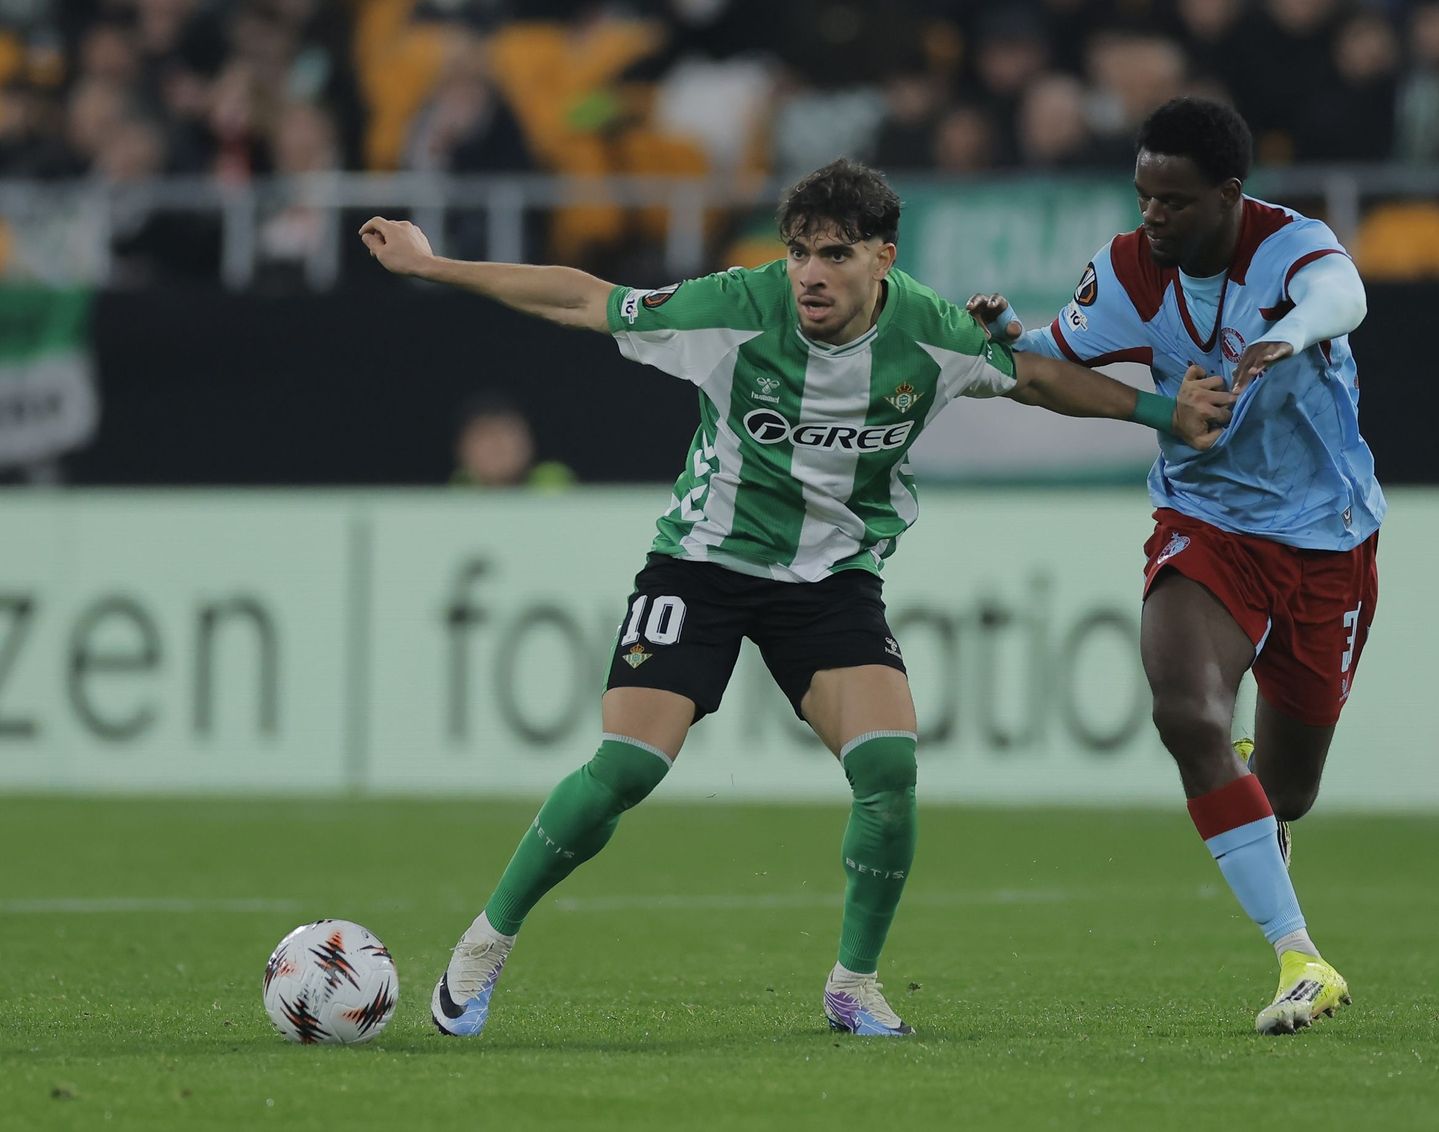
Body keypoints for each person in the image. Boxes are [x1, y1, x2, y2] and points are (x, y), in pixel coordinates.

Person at [359, 157, 1233, 1040]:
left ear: (883, 257)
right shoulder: (736, 307)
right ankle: (485, 942)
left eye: (836, 254)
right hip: (704, 563)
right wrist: (434, 266)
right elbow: (587, 298)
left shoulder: (931, 334)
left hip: (833, 580)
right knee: (629, 765)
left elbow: (1038, 379)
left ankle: (854, 983)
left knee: (889, 774)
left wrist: (1166, 415)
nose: (811, 273)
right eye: (800, 252)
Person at [969, 98, 1382, 1036]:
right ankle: (1301, 958)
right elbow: (1055, 356)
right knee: (1185, 712)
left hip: (1328, 535)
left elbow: (1342, 295)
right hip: (1206, 518)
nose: (1152, 216)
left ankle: (1257, 800)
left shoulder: (1287, 246)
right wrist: (1012, 337)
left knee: (1289, 794)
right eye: (1144, 195)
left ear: (1230, 196)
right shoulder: (1126, 265)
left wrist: (1289, 336)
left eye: (1175, 201)